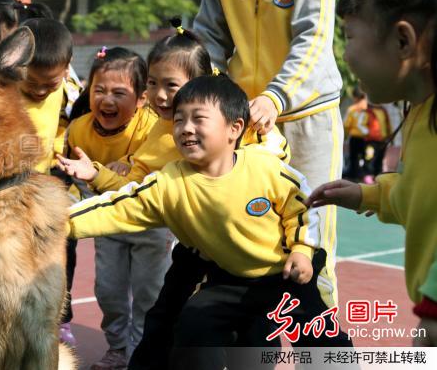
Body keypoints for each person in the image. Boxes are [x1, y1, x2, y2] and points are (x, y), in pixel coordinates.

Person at [68, 75, 352, 370]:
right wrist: (57, 222)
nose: (186, 128)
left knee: (322, 340)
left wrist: (302, 251)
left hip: (289, 274)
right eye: (179, 120)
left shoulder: (265, 168)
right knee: (195, 321)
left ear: (234, 128)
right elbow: (115, 208)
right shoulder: (168, 182)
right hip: (230, 279)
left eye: (198, 118)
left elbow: (300, 208)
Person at [57, 23, 289, 369]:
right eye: (153, 83)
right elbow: (133, 190)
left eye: (171, 85)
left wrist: (268, 139)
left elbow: (280, 173)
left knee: (250, 332)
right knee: (167, 320)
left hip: (251, 258)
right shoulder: (162, 136)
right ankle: (138, 356)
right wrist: (89, 185)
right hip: (196, 249)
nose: (160, 95)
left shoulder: (240, 137)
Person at [192, 0, 342, 309]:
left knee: (310, 250)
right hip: (246, 124)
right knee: (242, 245)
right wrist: (217, 101)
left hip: (305, 120)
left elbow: (313, 38)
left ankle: (324, 357)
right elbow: (209, 40)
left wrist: (275, 98)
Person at [306, 0, 437, 347]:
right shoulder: (418, 114)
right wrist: (369, 194)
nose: (345, 55)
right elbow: (422, 197)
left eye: (349, 38)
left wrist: (432, 315)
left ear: (402, 40)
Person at [64, 46, 168, 369]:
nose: (107, 100)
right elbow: (71, 180)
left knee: (149, 293)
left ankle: (140, 350)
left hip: (149, 223)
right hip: (107, 223)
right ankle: (118, 348)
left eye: (119, 93)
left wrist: (102, 173)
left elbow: (144, 178)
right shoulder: (78, 130)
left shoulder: (154, 127)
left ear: (141, 99)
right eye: (99, 90)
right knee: (108, 290)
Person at [17, 17, 80, 345]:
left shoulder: (69, 92)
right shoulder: (6, 88)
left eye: (49, 84)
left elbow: (72, 126)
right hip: (15, 187)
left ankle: (60, 319)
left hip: (51, 185)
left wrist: (61, 154)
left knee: (59, 252)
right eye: (33, 83)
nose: (40, 90)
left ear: (67, 69)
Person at [343, 88, 368, 180]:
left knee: (353, 158)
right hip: (367, 138)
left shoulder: (352, 109)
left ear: (356, 97)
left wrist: (345, 135)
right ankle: (365, 175)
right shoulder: (369, 109)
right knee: (366, 157)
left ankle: (354, 175)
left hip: (355, 137)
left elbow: (346, 124)